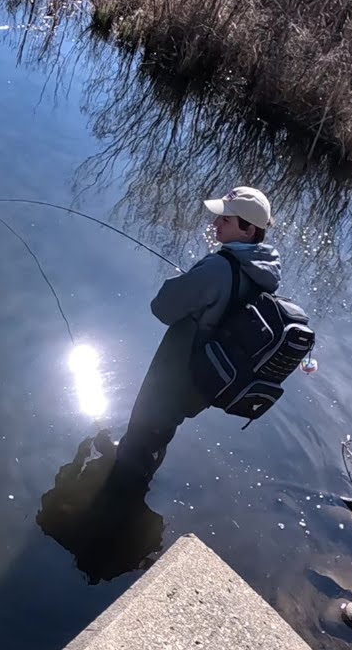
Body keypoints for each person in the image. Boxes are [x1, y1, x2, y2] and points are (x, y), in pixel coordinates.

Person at [111, 186, 282, 488]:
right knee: (164, 426)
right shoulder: (266, 268)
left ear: (248, 229)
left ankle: (119, 494)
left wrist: (187, 280)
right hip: (212, 374)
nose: (215, 224)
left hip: (179, 367)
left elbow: (162, 308)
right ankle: (143, 469)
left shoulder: (217, 268)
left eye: (225, 220)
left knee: (145, 425)